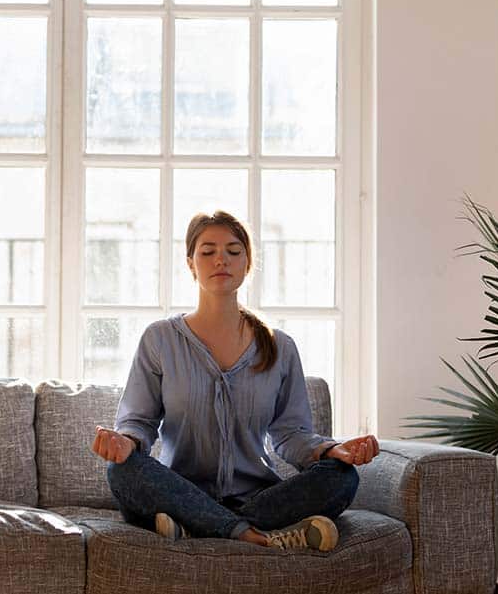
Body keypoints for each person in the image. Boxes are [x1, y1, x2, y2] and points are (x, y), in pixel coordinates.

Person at [92, 210, 378, 551]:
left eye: (233, 250)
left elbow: (290, 435)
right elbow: (138, 421)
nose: (220, 260)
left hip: (257, 496)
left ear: (247, 262)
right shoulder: (160, 339)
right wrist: (126, 442)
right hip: (179, 491)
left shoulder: (279, 346)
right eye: (207, 251)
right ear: (190, 263)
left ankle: (200, 526)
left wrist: (332, 450)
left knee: (342, 477)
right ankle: (254, 534)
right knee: (121, 471)